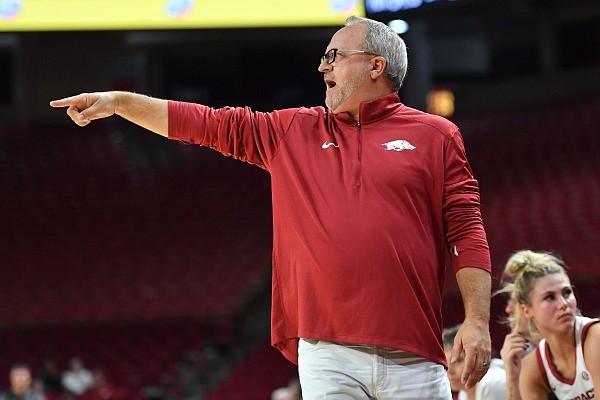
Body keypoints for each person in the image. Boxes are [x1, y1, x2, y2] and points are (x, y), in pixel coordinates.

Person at [50, 15, 492, 399]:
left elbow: (467, 233)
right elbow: (203, 123)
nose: (323, 66)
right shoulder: (291, 131)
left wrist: (476, 321)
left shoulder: (437, 135)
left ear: (376, 65)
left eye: (335, 55)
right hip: (327, 350)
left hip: (415, 351)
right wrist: (120, 102)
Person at [498, 250, 599, 400]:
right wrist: (512, 378)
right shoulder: (534, 366)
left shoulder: (595, 337)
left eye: (567, 293)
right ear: (527, 310)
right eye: (550, 297)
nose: (563, 304)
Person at [443, 324, 506, 400]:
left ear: (478, 358)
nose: (449, 371)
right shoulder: (463, 393)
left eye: (458, 361)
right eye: (446, 362)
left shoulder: (492, 384)